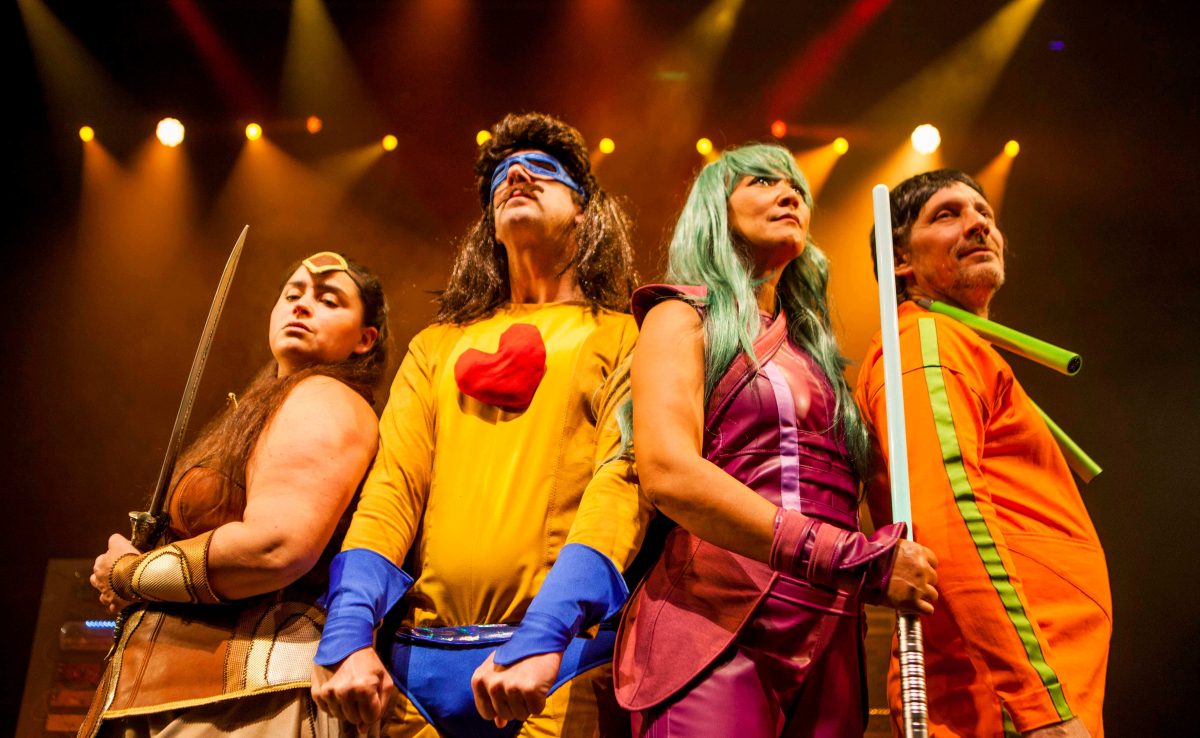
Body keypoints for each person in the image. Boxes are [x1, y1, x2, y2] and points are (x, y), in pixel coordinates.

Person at [311, 113, 652, 738]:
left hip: (558, 664)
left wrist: (546, 634)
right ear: (490, 225)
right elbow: (392, 488)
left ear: (585, 210)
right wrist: (348, 630)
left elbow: (621, 488)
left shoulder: (627, 336)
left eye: (543, 169)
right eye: (502, 175)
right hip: (412, 671)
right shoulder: (435, 345)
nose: (516, 174)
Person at [612, 143, 939, 738]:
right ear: (715, 208)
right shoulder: (681, 317)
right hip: (717, 626)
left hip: (832, 642)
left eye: (797, 189)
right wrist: (848, 558)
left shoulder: (821, 361)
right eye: (762, 181)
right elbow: (669, 472)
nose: (789, 193)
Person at [79, 251, 390, 738]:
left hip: (248, 704)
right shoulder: (271, 402)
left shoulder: (324, 397)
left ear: (365, 339)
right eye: (292, 294)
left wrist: (129, 573)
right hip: (195, 695)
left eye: (329, 300)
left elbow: (275, 546)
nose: (302, 305)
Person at [856, 170, 1110, 738]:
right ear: (900, 260)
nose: (978, 224)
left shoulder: (955, 346)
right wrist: (1038, 707)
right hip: (1000, 704)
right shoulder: (925, 340)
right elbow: (950, 520)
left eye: (984, 213)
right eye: (946, 214)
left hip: (1026, 693)